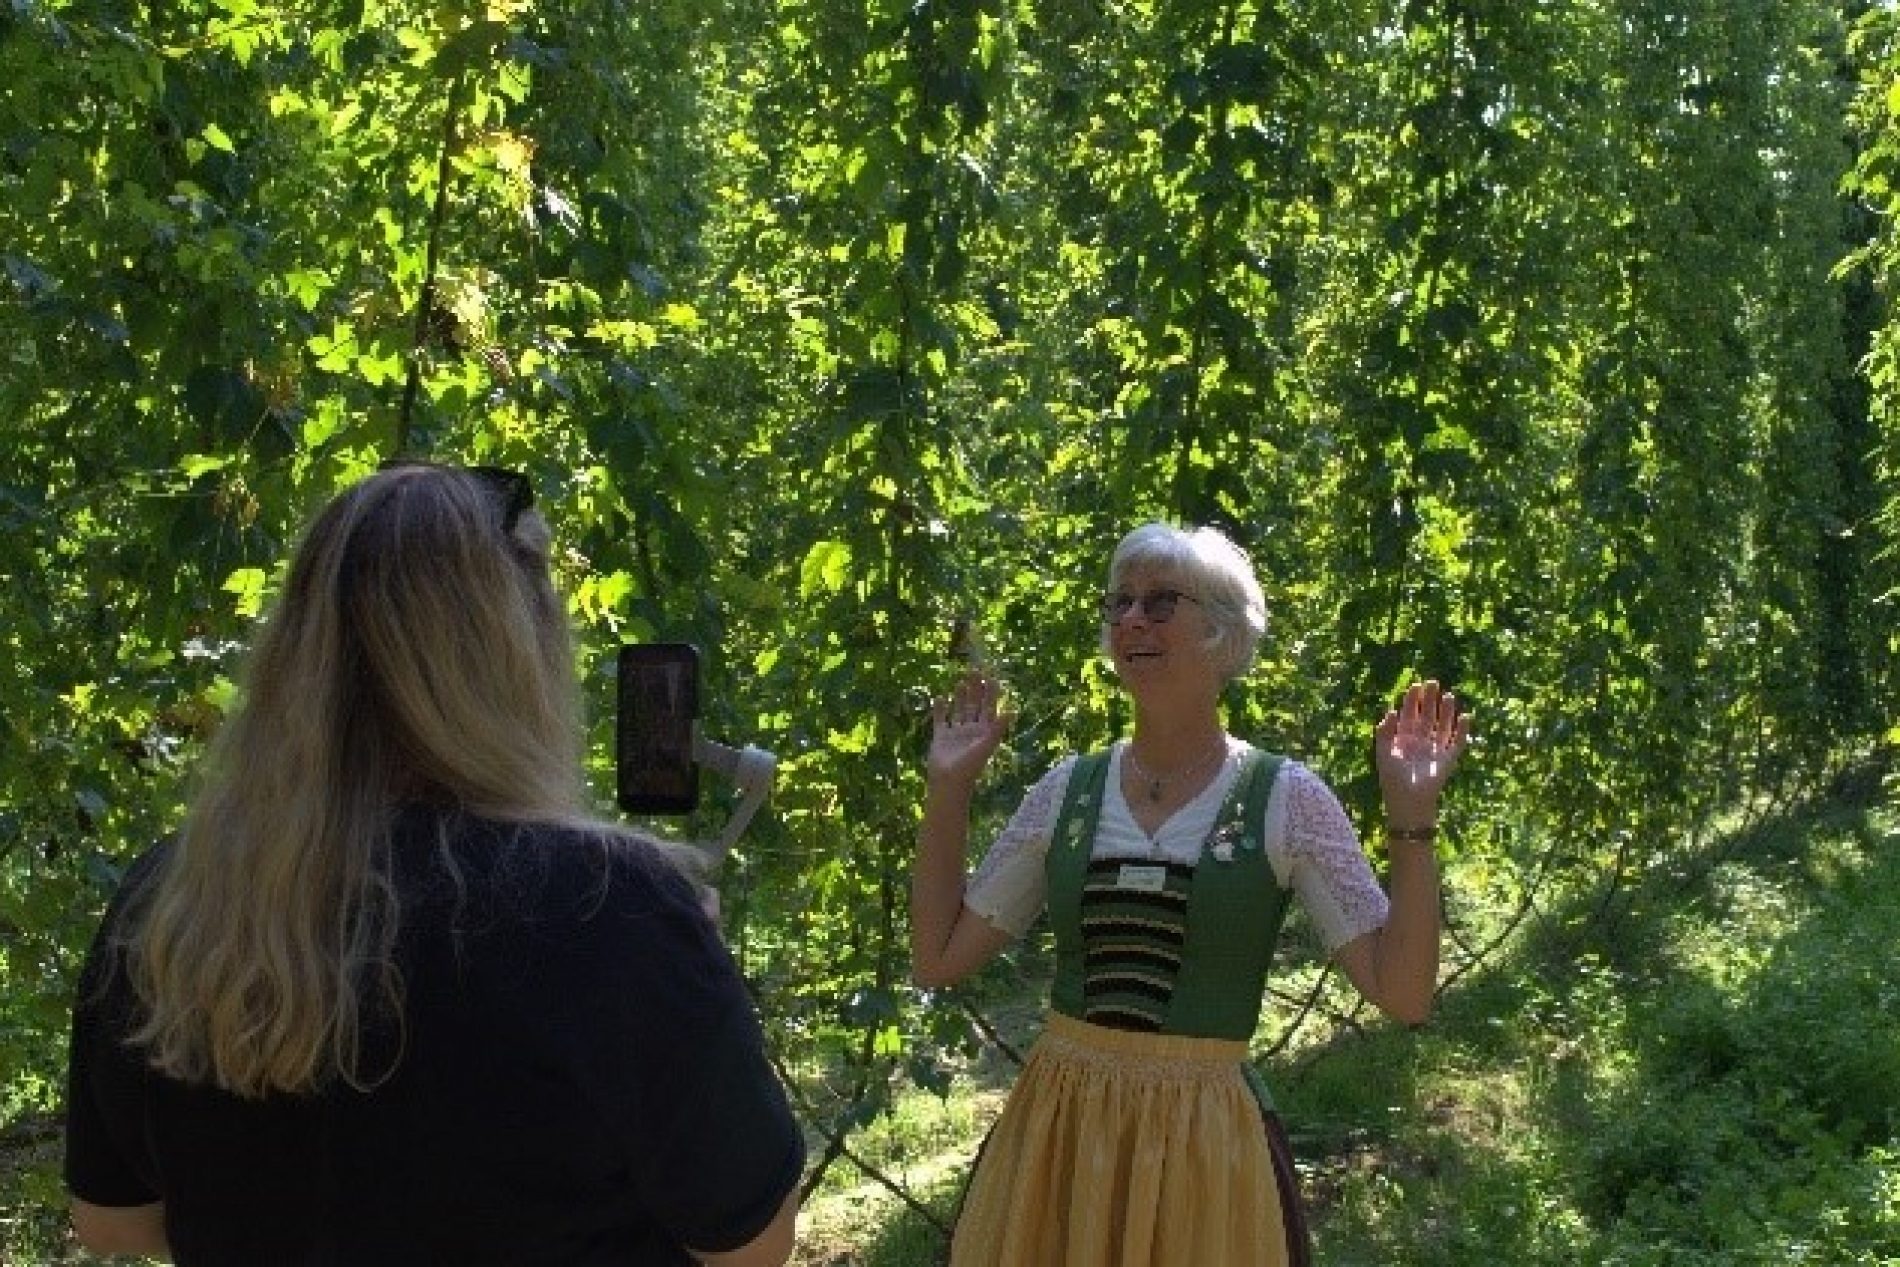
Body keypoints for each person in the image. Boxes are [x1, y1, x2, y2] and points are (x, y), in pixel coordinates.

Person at [64, 463, 804, 1266]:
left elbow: (113, 1222)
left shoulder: (173, 899)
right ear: (514, 658)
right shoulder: (608, 908)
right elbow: (752, 1244)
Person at [910, 521, 1470, 1267]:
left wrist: (1412, 821)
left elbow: (1404, 994)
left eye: (1160, 600)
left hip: (1204, 1153)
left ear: (1220, 630)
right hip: (1062, 1141)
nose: (1132, 619)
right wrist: (949, 787)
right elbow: (938, 956)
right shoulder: (1065, 793)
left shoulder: (1286, 800)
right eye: (1120, 603)